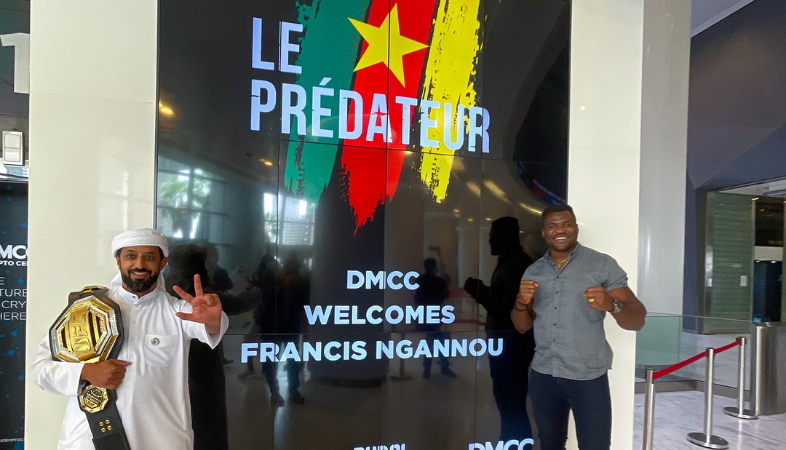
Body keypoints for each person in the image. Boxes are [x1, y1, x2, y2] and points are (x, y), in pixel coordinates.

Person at [30, 228, 229, 450]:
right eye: (131, 256)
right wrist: (85, 372)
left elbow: (209, 327)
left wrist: (212, 319)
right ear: (118, 261)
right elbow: (40, 371)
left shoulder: (179, 312)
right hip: (87, 441)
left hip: (161, 442)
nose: (139, 264)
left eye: (149, 257)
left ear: (163, 263)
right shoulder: (85, 310)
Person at [512, 205, 646, 450]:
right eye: (553, 226)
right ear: (544, 233)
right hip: (544, 376)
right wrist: (521, 302)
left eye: (567, 224)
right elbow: (521, 326)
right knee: (550, 444)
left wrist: (612, 304)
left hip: (587, 378)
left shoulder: (601, 264)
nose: (560, 230)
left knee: (595, 446)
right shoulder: (533, 271)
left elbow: (637, 319)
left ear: (575, 228)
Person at [463, 217, 535, 441]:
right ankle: (510, 440)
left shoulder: (518, 265)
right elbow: (501, 299)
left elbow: (509, 313)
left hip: (512, 345)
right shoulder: (507, 262)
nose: (490, 241)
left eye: (493, 236)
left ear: (507, 237)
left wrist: (480, 293)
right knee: (506, 399)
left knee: (511, 401)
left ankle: (517, 443)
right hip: (504, 344)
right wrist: (483, 291)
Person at [414, 257, 456, 379]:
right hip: (436, 314)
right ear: (434, 268)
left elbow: (417, 298)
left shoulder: (420, 280)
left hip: (424, 314)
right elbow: (445, 294)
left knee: (429, 341)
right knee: (443, 340)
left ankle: (427, 369)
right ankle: (444, 366)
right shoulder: (439, 281)